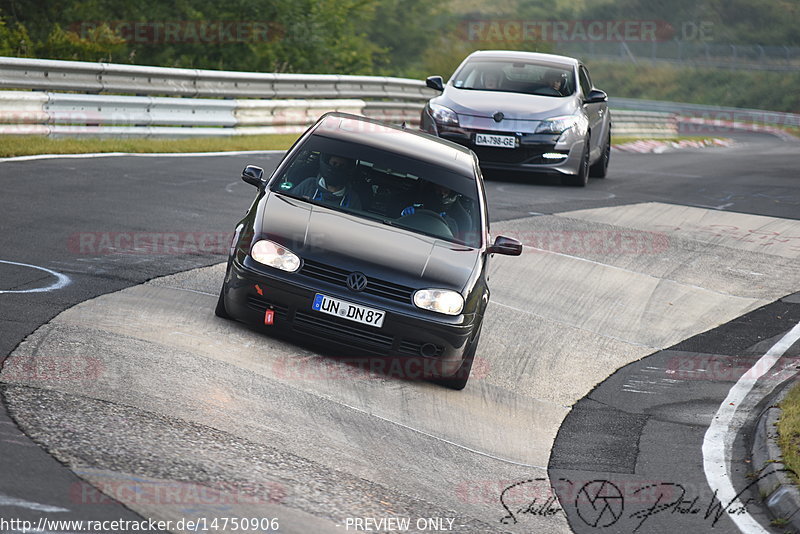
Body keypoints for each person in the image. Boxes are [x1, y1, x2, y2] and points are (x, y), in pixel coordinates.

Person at [289, 153, 362, 209]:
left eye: (341, 166)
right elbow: (289, 205)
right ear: (327, 164)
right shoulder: (308, 185)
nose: (337, 168)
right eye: (334, 164)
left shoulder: (353, 199)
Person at [400, 182, 472, 238]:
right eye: (438, 190)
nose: (442, 194)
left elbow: (456, 245)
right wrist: (403, 213)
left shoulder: (460, 219)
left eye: (445, 192)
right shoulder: (409, 202)